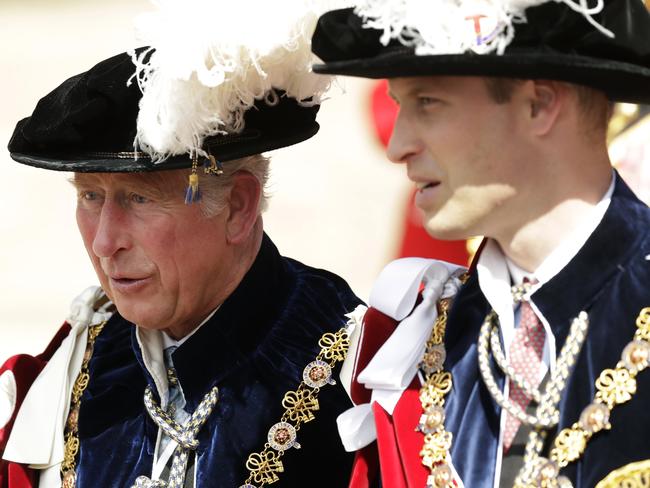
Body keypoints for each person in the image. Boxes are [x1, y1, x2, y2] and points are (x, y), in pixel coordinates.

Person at [0, 3, 364, 487]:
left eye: (139, 198)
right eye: (90, 196)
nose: (105, 242)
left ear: (237, 205)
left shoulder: (355, 375)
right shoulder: (71, 366)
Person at [310, 0, 650, 487]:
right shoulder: (421, 347)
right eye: (402, 105)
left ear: (539, 104)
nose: (397, 145)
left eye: (428, 102)